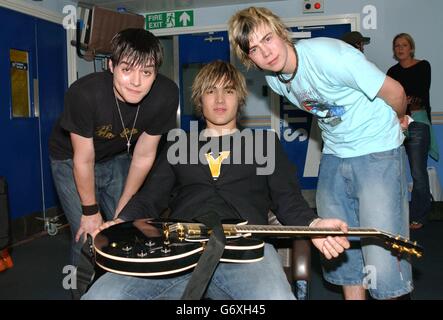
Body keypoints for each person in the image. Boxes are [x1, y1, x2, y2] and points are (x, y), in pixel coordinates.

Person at [83, 60, 350, 300]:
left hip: (247, 251)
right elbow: (150, 197)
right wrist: (120, 221)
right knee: (102, 295)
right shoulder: (180, 144)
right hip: (178, 250)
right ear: (200, 100)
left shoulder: (265, 143)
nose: (220, 99)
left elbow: (287, 199)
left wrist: (314, 224)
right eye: (211, 91)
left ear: (240, 99)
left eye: (229, 91)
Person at [228, 7, 412, 300]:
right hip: (335, 155)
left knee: (383, 254)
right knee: (340, 248)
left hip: (377, 150)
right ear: (249, 58)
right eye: (254, 49)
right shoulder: (275, 80)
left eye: (268, 38)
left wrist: (400, 121)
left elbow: (397, 92)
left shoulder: (329, 55)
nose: (266, 52)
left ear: (281, 31)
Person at [49, 28, 179, 266]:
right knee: (87, 235)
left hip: (118, 155)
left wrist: (126, 204)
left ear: (156, 73)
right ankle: (85, 291)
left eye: (147, 72)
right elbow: (84, 158)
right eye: (127, 69)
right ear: (111, 66)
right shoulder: (84, 93)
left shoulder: (166, 95)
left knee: (129, 225)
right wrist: (90, 211)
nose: (136, 82)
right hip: (71, 160)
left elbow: (144, 155)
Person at [387, 33, 439, 230]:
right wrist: (403, 100)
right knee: (394, 172)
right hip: (397, 123)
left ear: (411, 48)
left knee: (418, 172)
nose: (400, 48)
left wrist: (402, 99)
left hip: (417, 122)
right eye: (397, 45)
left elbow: (418, 94)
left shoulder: (423, 66)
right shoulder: (392, 71)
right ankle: (398, 215)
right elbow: (390, 98)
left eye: (404, 45)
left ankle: (420, 215)